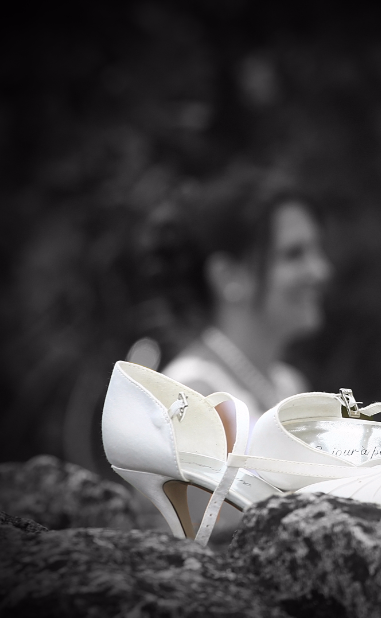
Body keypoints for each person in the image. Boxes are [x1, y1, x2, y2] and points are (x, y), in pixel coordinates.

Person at [138, 165, 333, 542]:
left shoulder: (288, 383)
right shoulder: (190, 400)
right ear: (228, 276)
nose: (321, 270)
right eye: (294, 254)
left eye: (316, 251)